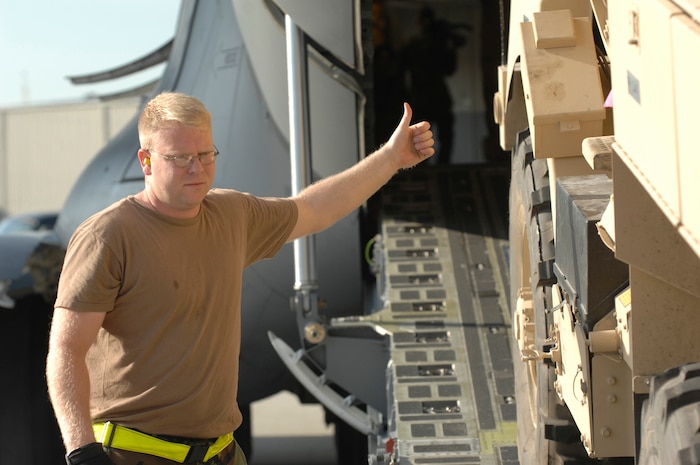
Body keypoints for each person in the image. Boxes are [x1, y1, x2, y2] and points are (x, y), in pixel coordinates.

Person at [46, 91, 434, 465]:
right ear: (146, 161)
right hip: (135, 454)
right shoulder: (107, 236)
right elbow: (66, 350)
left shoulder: (231, 215)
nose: (197, 168)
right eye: (180, 158)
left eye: (205, 154)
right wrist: (81, 451)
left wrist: (389, 160)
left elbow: (313, 209)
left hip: (221, 452)